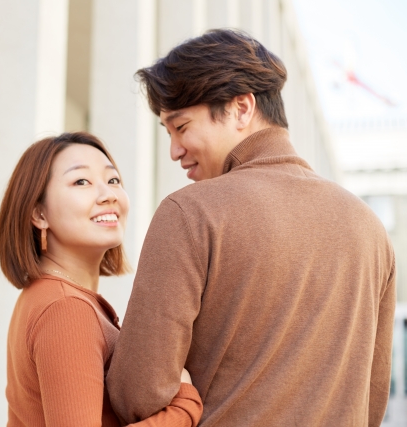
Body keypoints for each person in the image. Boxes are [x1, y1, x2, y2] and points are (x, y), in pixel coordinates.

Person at [106, 29, 395, 427]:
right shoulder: (370, 228)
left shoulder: (190, 213)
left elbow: (137, 393)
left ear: (242, 108)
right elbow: (373, 399)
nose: (174, 150)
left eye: (182, 126)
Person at [0, 132, 203, 426]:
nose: (108, 194)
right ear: (39, 213)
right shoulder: (66, 309)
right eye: (81, 182)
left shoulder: (45, 296)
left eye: (113, 180)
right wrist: (184, 406)